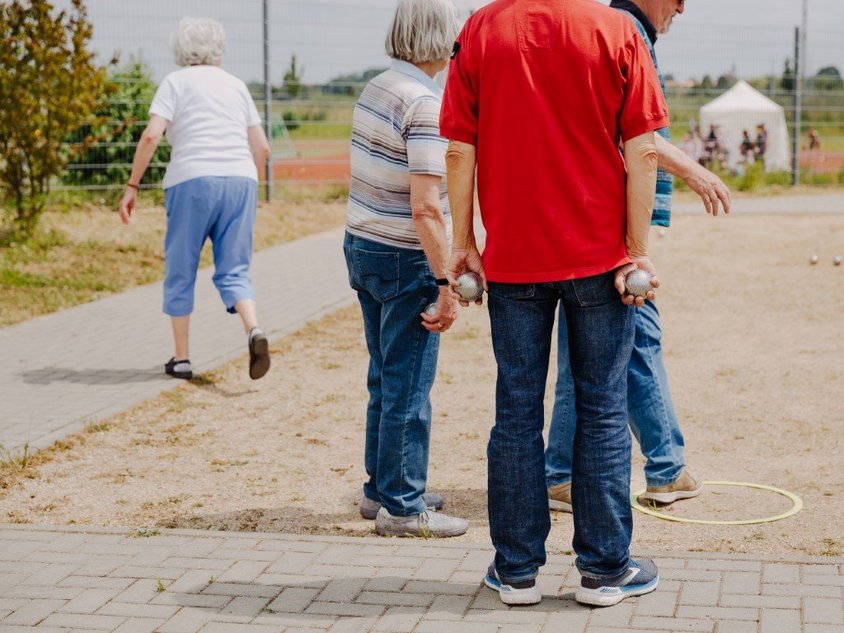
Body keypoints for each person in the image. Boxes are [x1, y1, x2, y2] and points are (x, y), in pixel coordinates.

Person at [442, 0, 668, 608]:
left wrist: (463, 242)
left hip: (514, 259)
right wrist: (637, 250)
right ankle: (604, 569)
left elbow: (460, 149)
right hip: (600, 257)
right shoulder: (617, 30)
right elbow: (643, 147)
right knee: (601, 409)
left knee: (515, 409)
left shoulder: (481, 29)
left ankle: (515, 571)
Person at [545, 0, 733, 516]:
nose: (682, 8)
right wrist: (697, 172)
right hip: (613, 230)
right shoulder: (625, 30)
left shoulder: (628, 32)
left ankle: (560, 473)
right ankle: (666, 469)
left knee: (587, 347)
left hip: (604, 225)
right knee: (638, 338)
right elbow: (636, 137)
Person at [343, 0, 468, 539]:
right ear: (441, 38)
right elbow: (426, 206)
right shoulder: (423, 103)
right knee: (409, 386)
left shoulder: (377, 87)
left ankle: (381, 488)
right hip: (403, 256)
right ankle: (403, 505)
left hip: (362, 245)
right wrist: (446, 283)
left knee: (383, 376)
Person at [118, 17, 271, 382]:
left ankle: (182, 359)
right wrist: (253, 186)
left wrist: (132, 186)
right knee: (235, 269)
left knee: (181, 267)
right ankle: (253, 329)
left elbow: (152, 137)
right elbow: (262, 147)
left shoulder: (174, 82)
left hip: (191, 181)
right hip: (240, 180)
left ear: (180, 50)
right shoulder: (236, 85)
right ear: (218, 49)